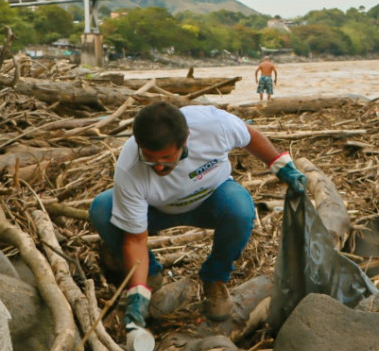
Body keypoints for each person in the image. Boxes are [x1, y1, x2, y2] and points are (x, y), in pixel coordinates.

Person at [88, 101, 308, 334]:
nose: (159, 167)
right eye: (150, 158)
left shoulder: (213, 125)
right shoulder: (130, 166)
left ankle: (215, 280)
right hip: (156, 211)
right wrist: (137, 291)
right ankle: (151, 276)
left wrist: (280, 165)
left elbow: (249, 136)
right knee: (103, 209)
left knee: (240, 209)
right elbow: (135, 240)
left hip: (212, 200)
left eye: (166, 158)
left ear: (185, 141)